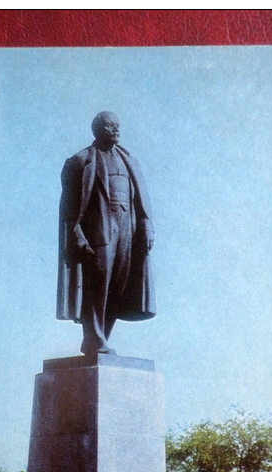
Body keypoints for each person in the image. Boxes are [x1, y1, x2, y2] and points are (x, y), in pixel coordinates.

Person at [56, 111, 156, 355]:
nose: (116, 130)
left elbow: (141, 201)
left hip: (126, 231)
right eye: (111, 126)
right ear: (97, 129)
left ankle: (101, 338)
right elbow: (69, 210)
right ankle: (94, 337)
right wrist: (78, 237)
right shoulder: (81, 161)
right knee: (98, 285)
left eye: (118, 126)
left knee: (118, 287)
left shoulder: (129, 160)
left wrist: (146, 224)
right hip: (98, 233)